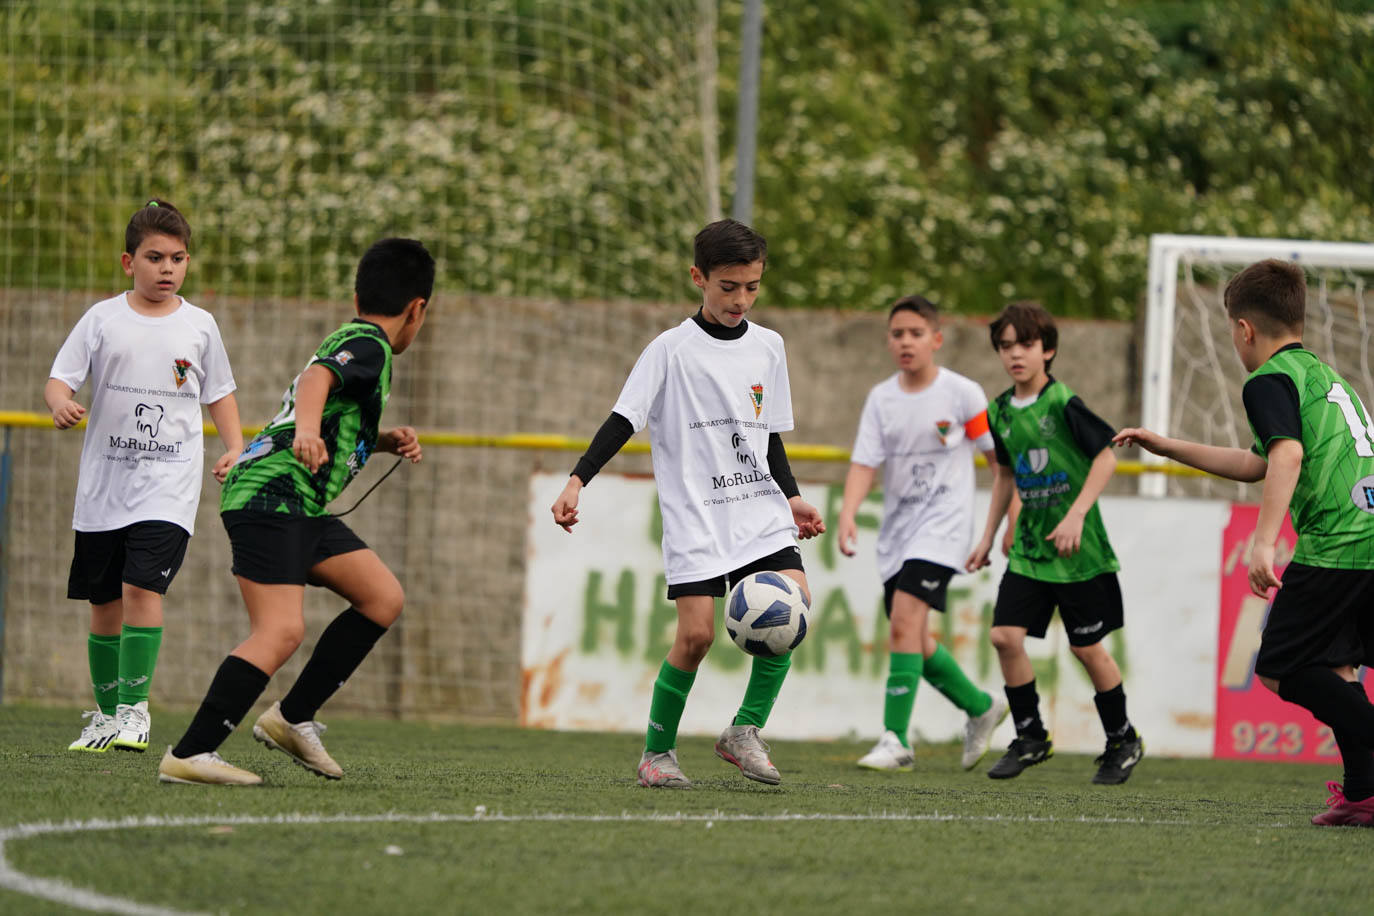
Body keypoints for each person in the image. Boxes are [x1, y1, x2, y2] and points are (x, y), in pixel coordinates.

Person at [551, 219, 825, 788]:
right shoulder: (670, 350)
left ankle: (744, 730)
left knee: (793, 610)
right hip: (697, 518)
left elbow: (768, 435)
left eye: (752, 286)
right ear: (698, 278)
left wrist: (793, 497)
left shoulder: (769, 347)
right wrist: (578, 480)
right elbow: (624, 419)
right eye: (728, 286)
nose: (741, 299)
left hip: (758, 510)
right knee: (696, 637)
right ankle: (656, 755)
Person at [157, 237, 433, 786]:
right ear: (418, 309)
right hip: (271, 495)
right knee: (280, 630)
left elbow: (332, 407)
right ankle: (191, 752)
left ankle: (291, 717)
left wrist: (381, 440)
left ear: (358, 293)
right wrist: (307, 431)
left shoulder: (355, 337)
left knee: (381, 598)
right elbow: (316, 382)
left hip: (294, 501)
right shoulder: (370, 343)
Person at [1116, 259, 1374, 826]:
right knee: (1338, 670)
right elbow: (1258, 462)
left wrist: (1263, 544)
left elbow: (1287, 455)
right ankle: (1363, 795)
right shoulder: (1326, 377)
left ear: (1243, 330)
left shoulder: (1266, 379)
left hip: (1338, 544)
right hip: (1369, 537)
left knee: (1281, 668)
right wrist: (1166, 446)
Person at [47, 199, 242, 756]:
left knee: (141, 586)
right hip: (104, 488)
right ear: (128, 261)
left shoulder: (199, 325)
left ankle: (136, 711)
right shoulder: (102, 319)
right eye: (155, 257)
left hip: (167, 484)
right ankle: (106, 715)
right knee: (103, 601)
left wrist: (235, 447)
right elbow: (60, 380)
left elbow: (219, 392)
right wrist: (61, 403)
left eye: (178, 258)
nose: (167, 269)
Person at [966, 301, 1144, 785]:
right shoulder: (999, 411)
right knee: (1004, 636)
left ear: (1048, 350)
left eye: (1025, 344)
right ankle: (1030, 736)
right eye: (1005, 346)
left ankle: (1122, 738)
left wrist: (1076, 516)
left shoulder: (1063, 401)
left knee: (1087, 649)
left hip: (1077, 550)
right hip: (1030, 548)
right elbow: (1005, 475)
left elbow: (1106, 456)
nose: (1014, 354)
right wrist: (987, 535)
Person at [836, 295, 1008, 772]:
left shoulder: (963, 394)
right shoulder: (881, 399)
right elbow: (864, 464)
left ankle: (895, 739)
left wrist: (1002, 525)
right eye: (897, 334)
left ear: (936, 338)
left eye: (915, 333)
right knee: (914, 637)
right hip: (898, 534)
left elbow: (1000, 464)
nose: (905, 342)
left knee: (904, 622)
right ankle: (980, 706)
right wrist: (849, 513)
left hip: (944, 527)